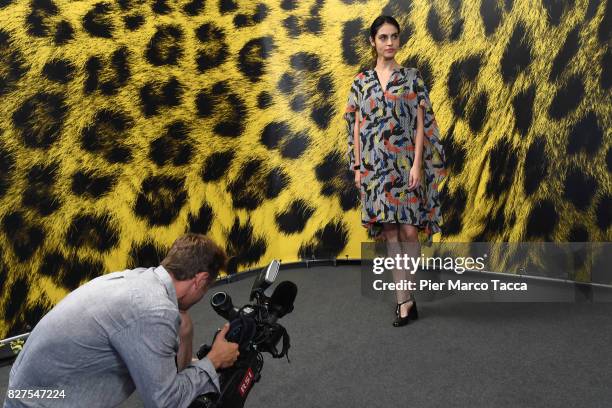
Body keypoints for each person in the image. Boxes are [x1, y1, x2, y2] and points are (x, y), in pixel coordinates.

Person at [4, 233, 240, 407]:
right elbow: (167, 402)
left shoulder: (139, 281)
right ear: (200, 280)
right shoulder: (154, 310)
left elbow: (168, 367)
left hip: (26, 392)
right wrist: (213, 361)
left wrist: (186, 334)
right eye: (205, 287)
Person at [344, 16, 446, 327]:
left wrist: (417, 164)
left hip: (406, 167)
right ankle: (405, 300)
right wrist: (358, 168)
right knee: (390, 234)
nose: (390, 43)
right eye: (384, 37)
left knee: (410, 232)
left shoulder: (412, 77)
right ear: (373, 41)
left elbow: (421, 125)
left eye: (394, 37)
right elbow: (355, 127)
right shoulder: (361, 82)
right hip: (375, 169)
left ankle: (406, 292)